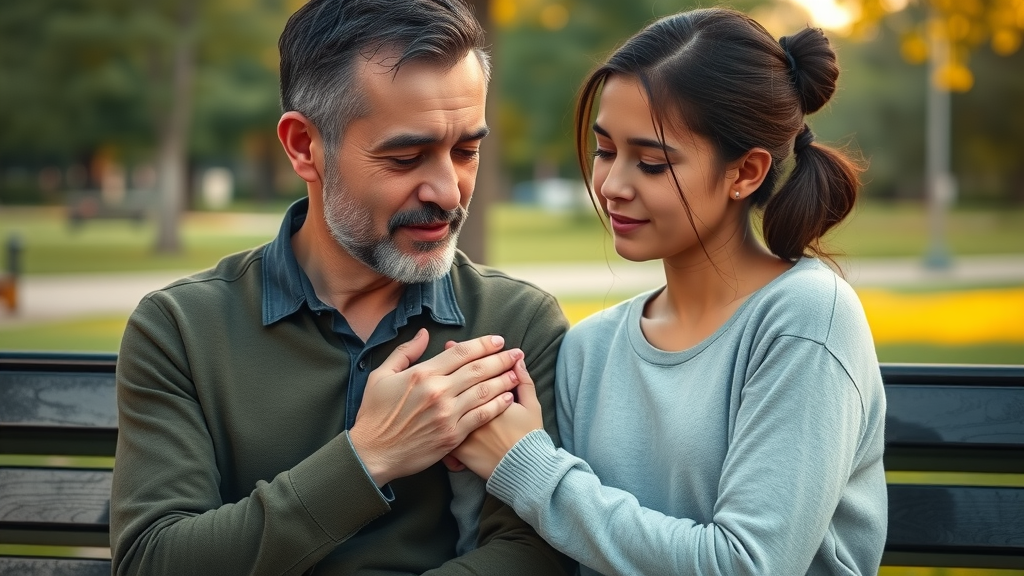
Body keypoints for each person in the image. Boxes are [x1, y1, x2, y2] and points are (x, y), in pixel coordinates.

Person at [109, 1, 574, 574]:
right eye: (406, 157)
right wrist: (368, 456)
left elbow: (535, 556)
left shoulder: (517, 323)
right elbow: (152, 561)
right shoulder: (179, 330)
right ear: (305, 146)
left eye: (466, 151)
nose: (450, 192)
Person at [449, 7, 888, 576]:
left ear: (746, 172)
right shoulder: (591, 349)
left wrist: (527, 465)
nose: (612, 185)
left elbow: (750, 565)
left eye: (652, 164)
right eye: (606, 151)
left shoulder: (807, 317)